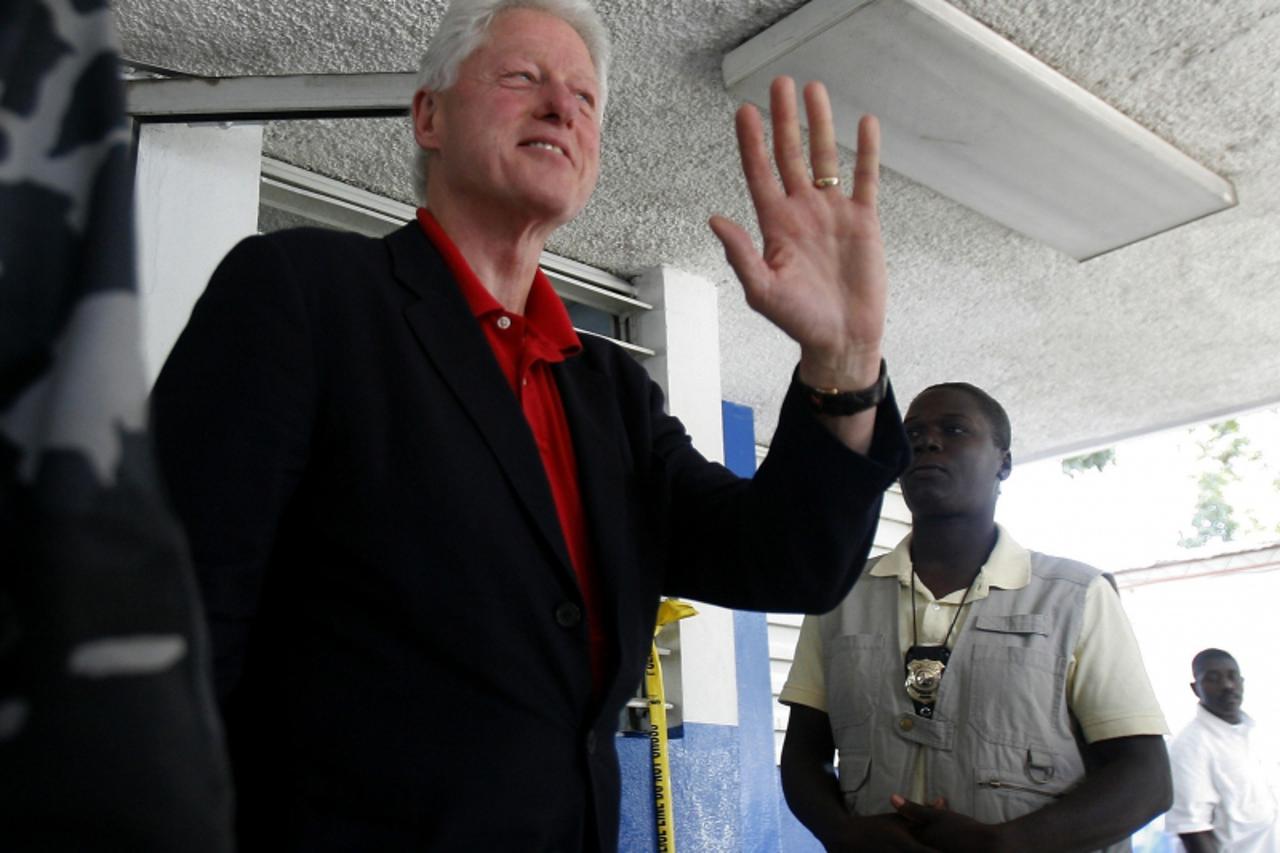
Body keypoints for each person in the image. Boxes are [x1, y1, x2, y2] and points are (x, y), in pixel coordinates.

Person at [149, 0, 910, 848]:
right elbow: (170, 617)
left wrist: (845, 365)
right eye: (523, 78)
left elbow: (786, 560)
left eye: (585, 98)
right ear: (429, 116)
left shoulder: (611, 392)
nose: (560, 108)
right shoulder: (305, 292)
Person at [779, 382, 1171, 853]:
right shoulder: (841, 598)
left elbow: (1146, 779)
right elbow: (804, 754)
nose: (927, 441)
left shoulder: (1075, 597)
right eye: (913, 433)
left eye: (955, 429)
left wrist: (1005, 843)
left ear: (1004, 462)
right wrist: (842, 833)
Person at [1166, 649, 1280, 852]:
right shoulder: (1190, 747)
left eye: (1232, 676)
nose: (1227, 685)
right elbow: (1191, 830)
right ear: (1195, 688)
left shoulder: (1259, 734)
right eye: (1213, 679)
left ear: (1242, 682)